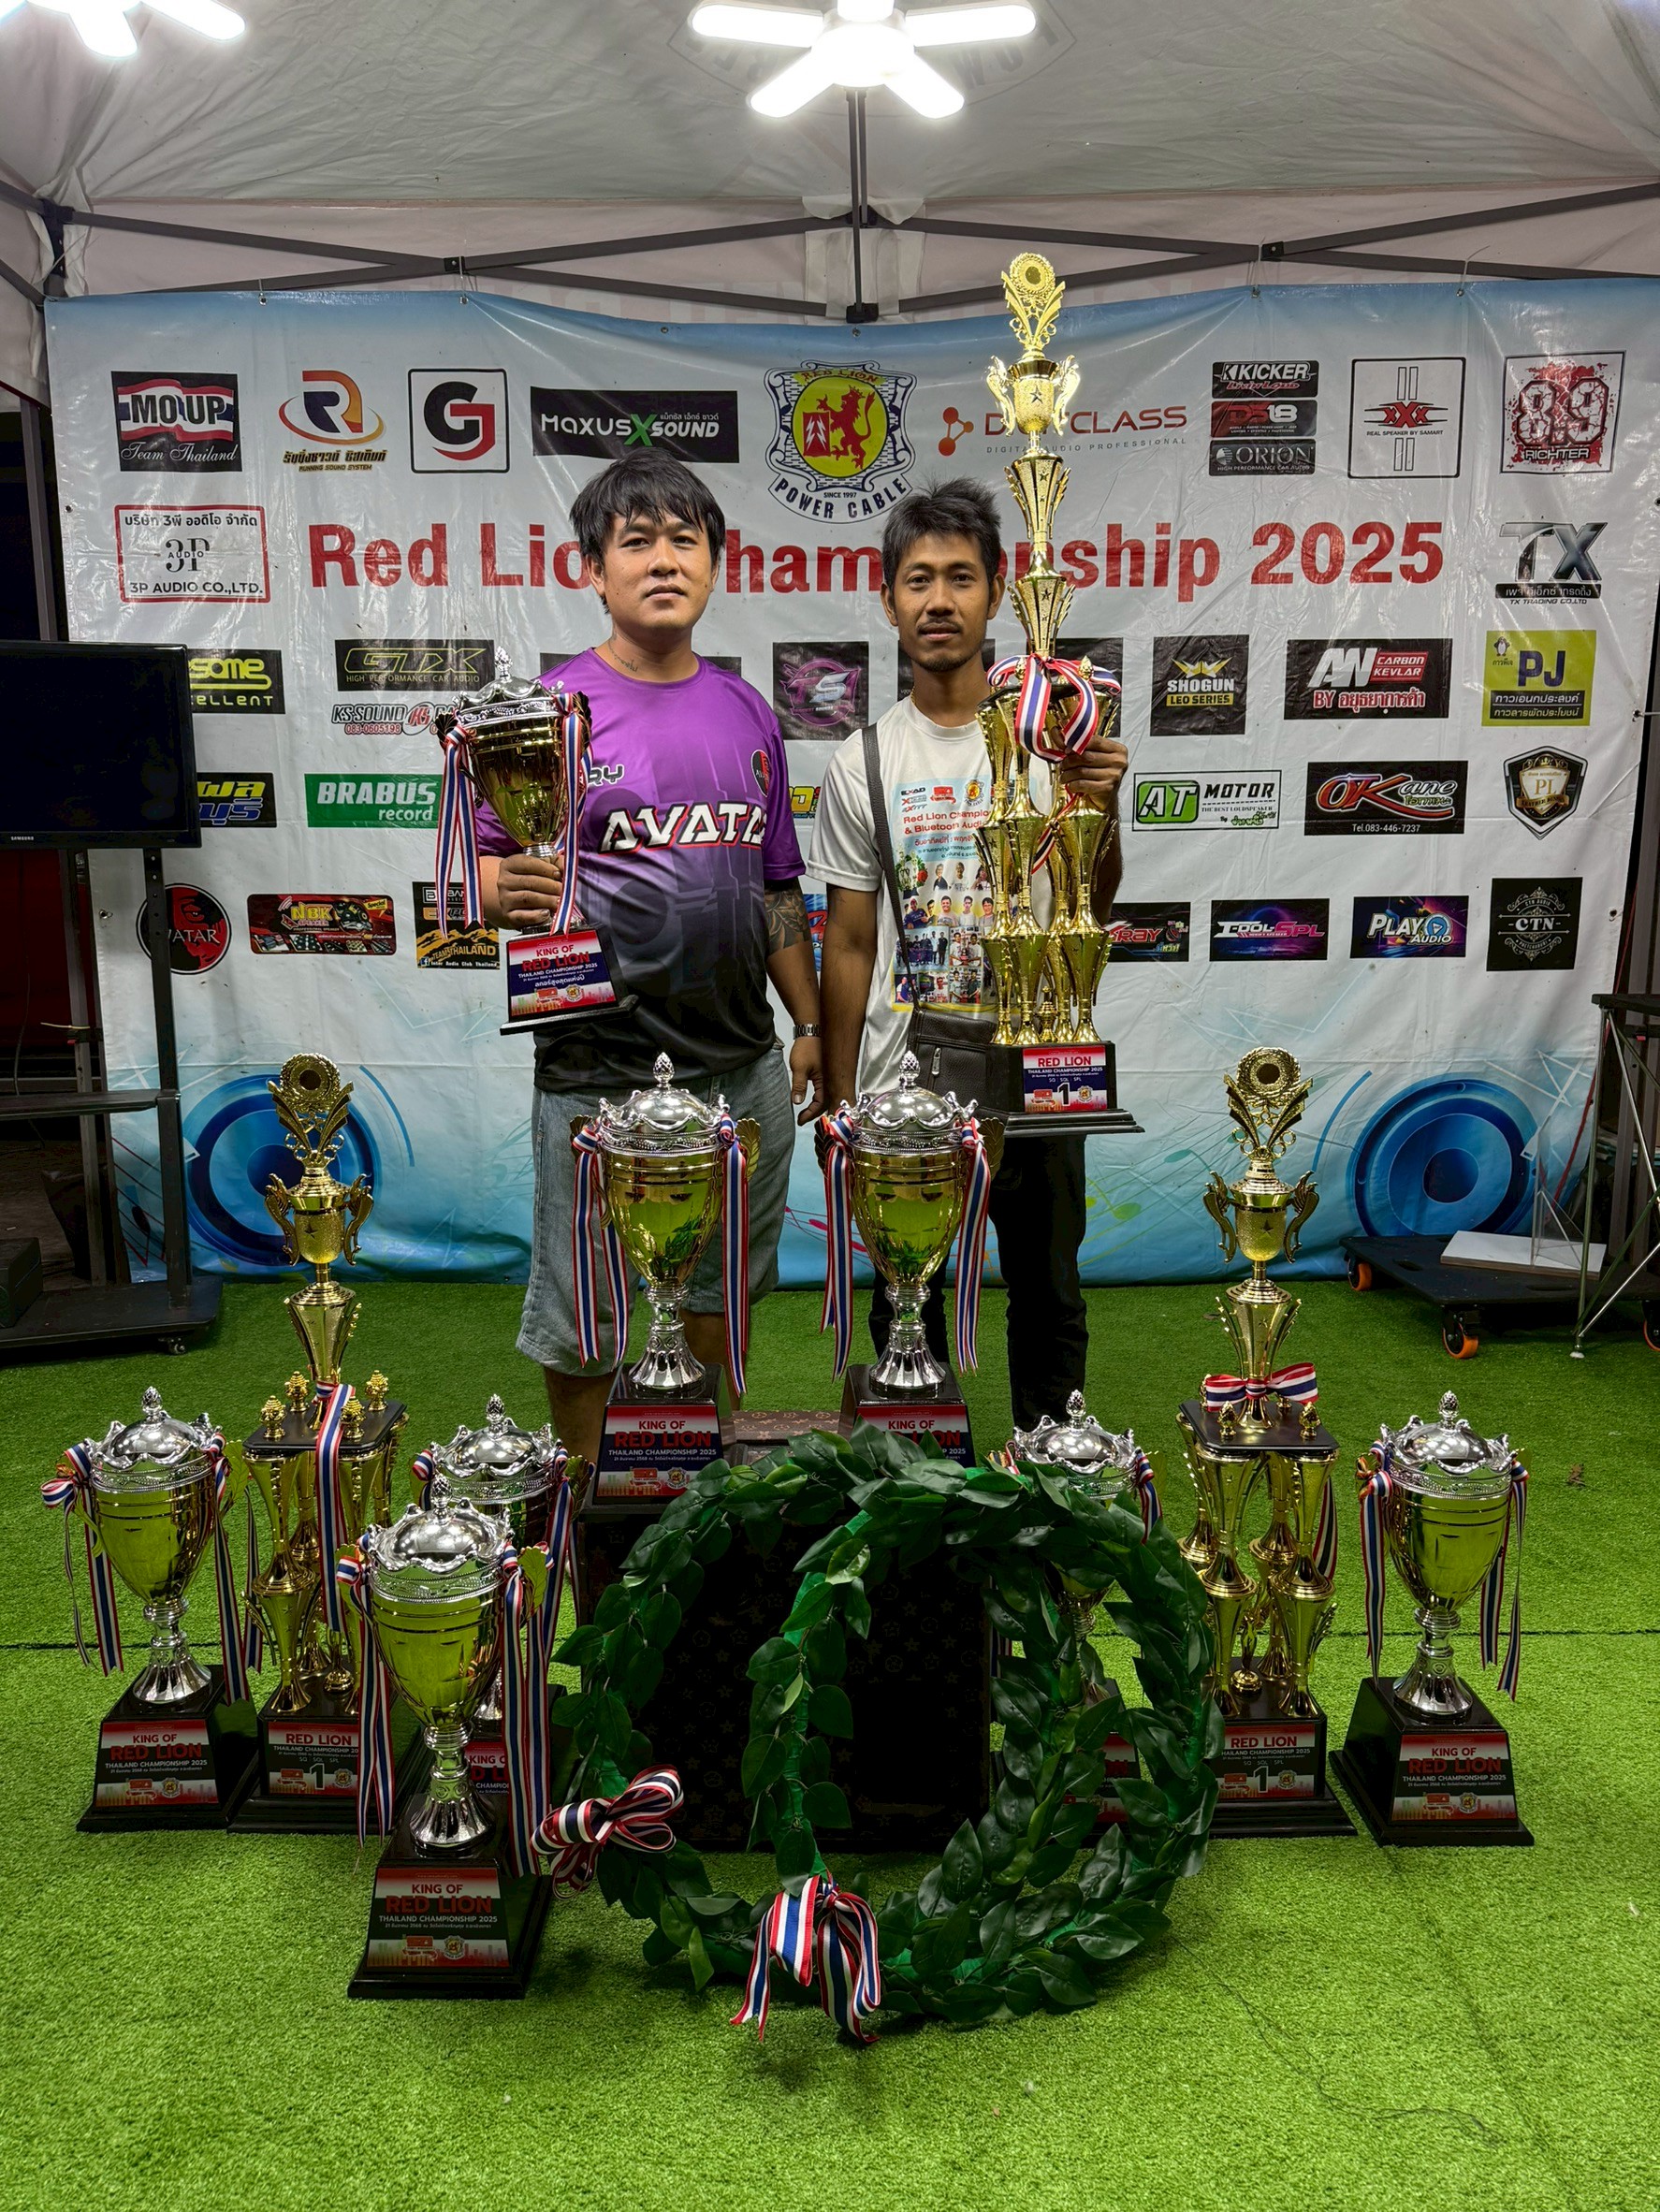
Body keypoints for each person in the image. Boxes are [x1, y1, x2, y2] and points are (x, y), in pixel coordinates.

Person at [475, 453, 823, 1463]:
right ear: (593, 569)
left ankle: (694, 1479)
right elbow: (480, 871)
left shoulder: (747, 710)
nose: (663, 561)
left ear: (715, 563)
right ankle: (593, 1497)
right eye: (637, 543)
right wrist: (502, 888)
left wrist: (807, 1024)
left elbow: (776, 887)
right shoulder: (545, 710)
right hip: (597, 1066)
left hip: (740, 1068)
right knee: (584, 1309)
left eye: (684, 541)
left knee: (720, 1291)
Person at [811, 478, 1127, 1429]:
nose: (938, 600)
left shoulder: (1056, 738)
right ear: (889, 602)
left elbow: (1094, 904)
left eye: (959, 577)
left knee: (1050, 1294)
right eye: (918, 580)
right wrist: (840, 1098)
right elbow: (850, 940)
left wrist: (1099, 808)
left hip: (1040, 1063)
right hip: (909, 1070)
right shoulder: (864, 759)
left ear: (997, 593)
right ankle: (918, 1481)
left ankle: (1053, 1477)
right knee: (904, 1294)